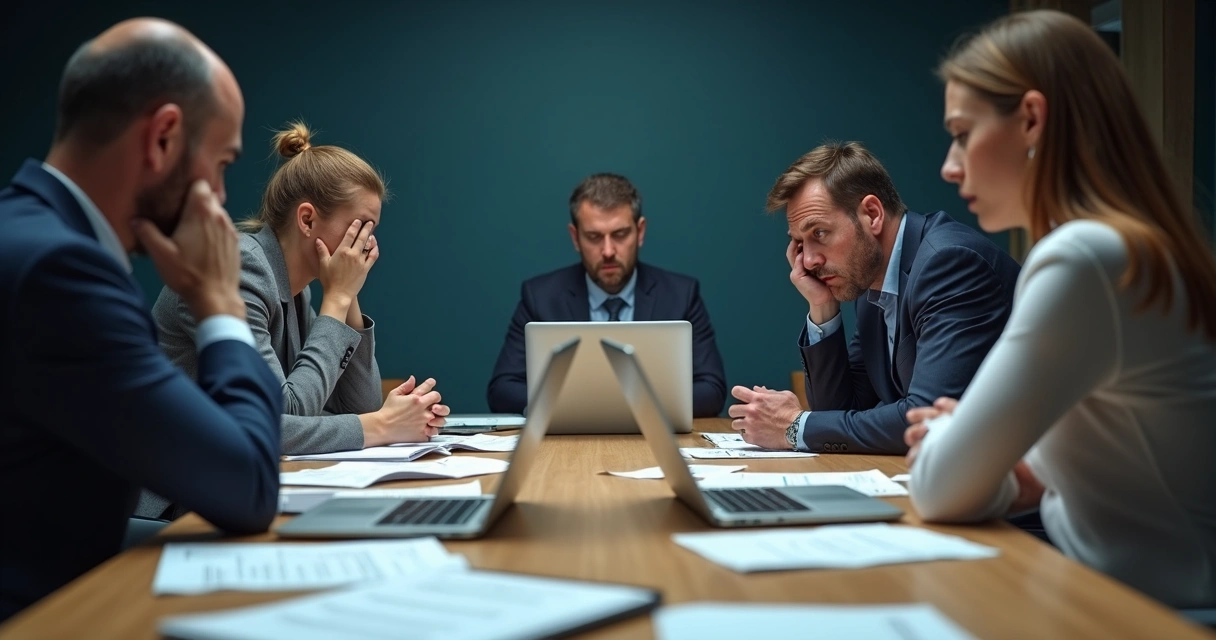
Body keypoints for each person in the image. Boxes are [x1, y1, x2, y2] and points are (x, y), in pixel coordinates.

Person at [905, 10, 1216, 608]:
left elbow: (944, 491)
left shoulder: (1082, 259)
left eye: (963, 133)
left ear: (1030, 119)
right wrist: (990, 466)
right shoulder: (1129, 248)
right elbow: (1025, 481)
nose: (949, 165)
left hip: (1158, 619)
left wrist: (949, 431)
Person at [0, 19, 282, 620]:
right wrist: (220, 304)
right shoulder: (60, 273)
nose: (223, 199)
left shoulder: (27, 237)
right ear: (164, 139)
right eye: (224, 164)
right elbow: (248, 487)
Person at [137, 122, 449, 519]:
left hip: (231, 485)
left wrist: (346, 296)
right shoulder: (239, 266)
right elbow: (280, 415)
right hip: (176, 502)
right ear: (307, 220)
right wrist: (383, 426)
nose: (368, 246)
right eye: (361, 228)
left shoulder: (295, 289)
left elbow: (360, 404)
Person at [728, 142, 1020, 454]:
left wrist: (795, 425)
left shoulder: (949, 263)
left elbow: (926, 420)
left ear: (872, 214)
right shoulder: (872, 285)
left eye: (819, 233)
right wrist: (822, 306)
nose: (809, 260)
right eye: (799, 243)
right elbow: (841, 409)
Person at [487, 173, 726, 416]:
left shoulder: (681, 294)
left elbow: (712, 390)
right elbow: (502, 390)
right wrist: (592, 406)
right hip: (569, 448)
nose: (608, 251)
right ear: (575, 237)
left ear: (640, 231)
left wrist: (624, 403)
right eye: (594, 237)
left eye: (620, 234)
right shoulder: (540, 297)